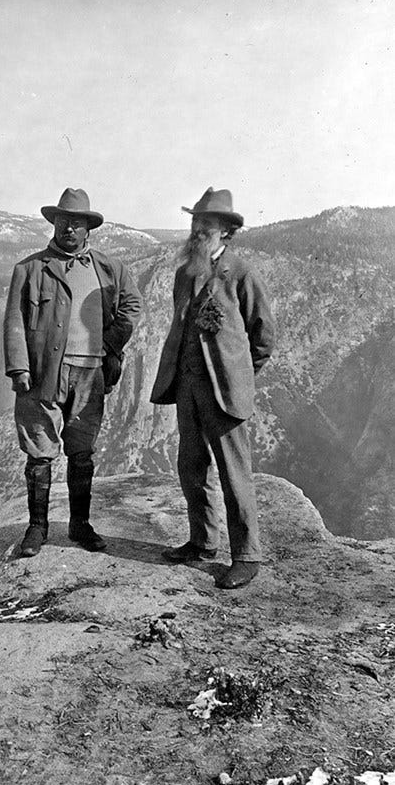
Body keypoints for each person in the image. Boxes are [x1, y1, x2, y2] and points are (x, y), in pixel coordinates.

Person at [4, 187, 142, 557]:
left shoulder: (109, 269)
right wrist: (19, 368)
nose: (69, 229)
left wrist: (110, 343)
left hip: (91, 374)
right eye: (63, 221)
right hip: (43, 374)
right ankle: (37, 528)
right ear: (54, 223)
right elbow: (14, 320)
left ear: (88, 229)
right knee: (39, 451)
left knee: (82, 453)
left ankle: (80, 525)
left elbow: (132, 306)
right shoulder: (30, 269)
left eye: (77, 223)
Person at [150, 187, 275, 589]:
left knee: (234, 473)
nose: (198, 229)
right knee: (191, 467)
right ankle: (202, 542)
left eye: (207, 224)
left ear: (226, 231)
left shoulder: (241, 274)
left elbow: (263, 337)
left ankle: (246, 556)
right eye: (195, 222)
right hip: (187, 387)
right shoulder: (185, 273)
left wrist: (239, 376)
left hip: (225, 392)